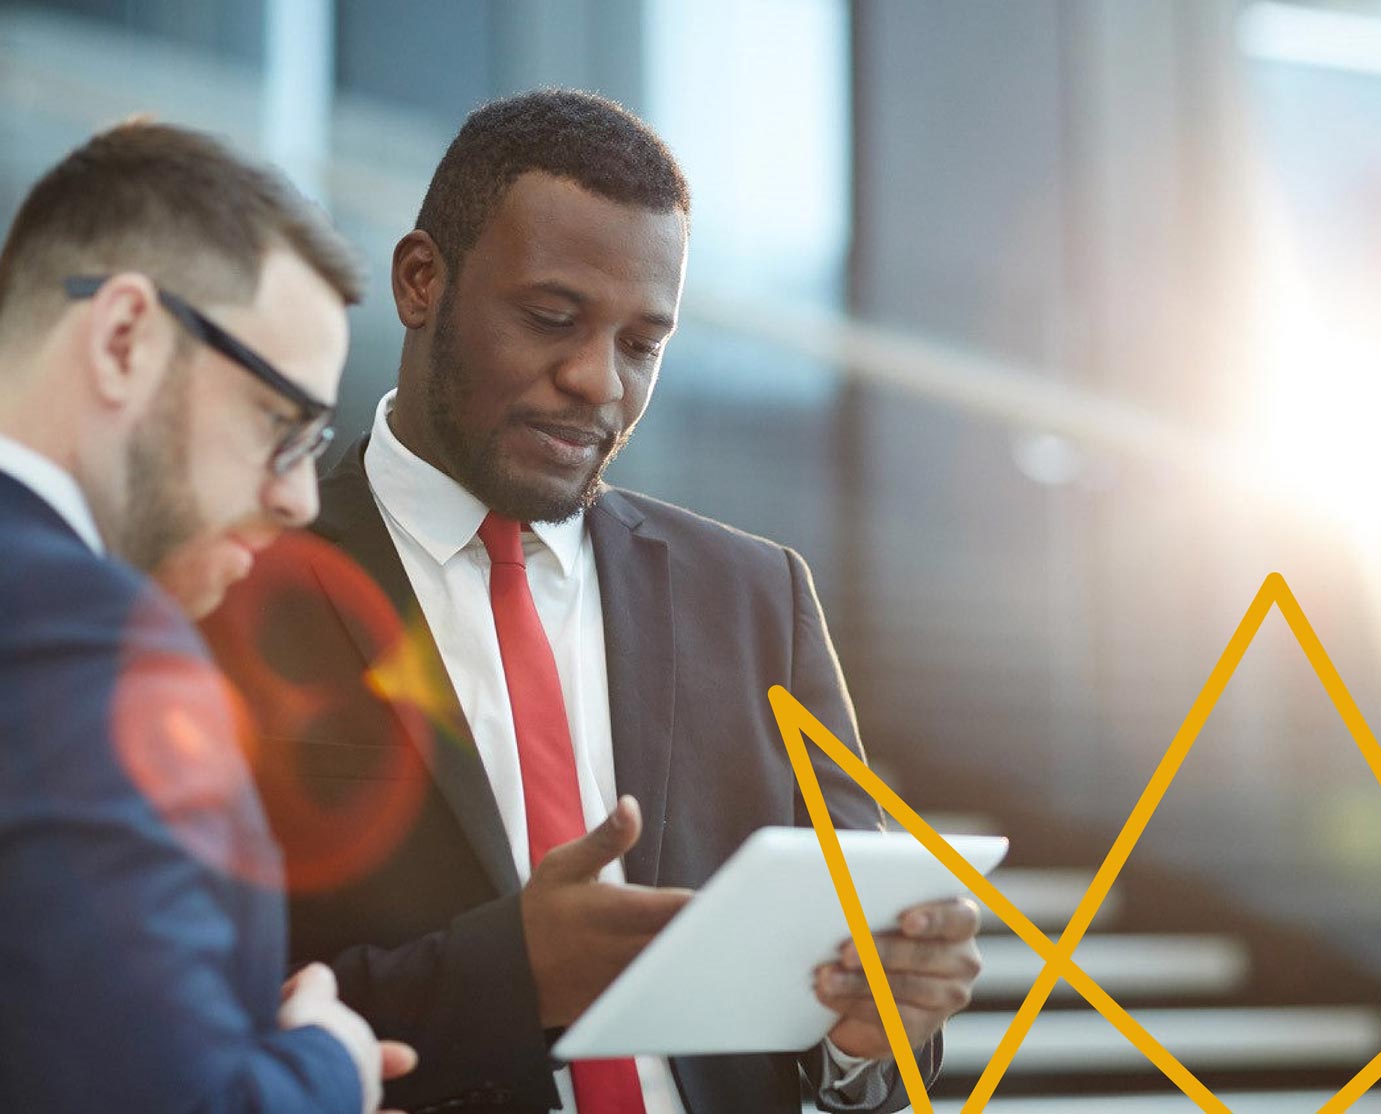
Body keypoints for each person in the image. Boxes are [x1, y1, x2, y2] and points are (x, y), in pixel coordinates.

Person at [204, 89, 981, 1114]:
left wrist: (866, 1039)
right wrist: (506, 974)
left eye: (641, 345)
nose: (596, 382)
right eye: (552, 319)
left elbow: (867, 1050)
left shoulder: (757, 599)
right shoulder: (229, 578)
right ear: (421, 279)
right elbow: (173, 1013)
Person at [0, 121, 416, 1113]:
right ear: (123, 338)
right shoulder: (81, 631)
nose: (300, 500)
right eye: (282, 424)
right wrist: (327, 1065)